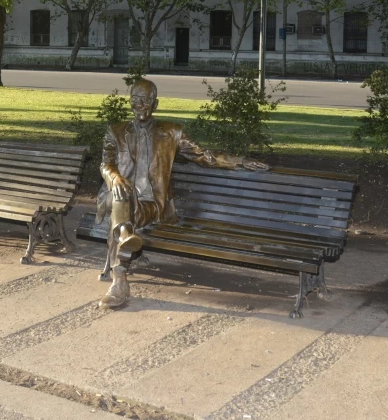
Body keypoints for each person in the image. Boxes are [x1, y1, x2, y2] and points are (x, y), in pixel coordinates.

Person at [95, 78, 269, 308]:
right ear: (129, 102)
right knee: (120, 195)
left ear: (155, 104)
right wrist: (115, 178)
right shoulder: (115, 132)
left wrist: (239, 161)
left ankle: (126, 236)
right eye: (135, 99)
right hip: (116, 196)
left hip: (150, 204)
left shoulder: (172, 133)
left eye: (145, 100)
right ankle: (120, 278)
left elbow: (204, 155)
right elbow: (106, 165)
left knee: (123, 202)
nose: (139, 105)